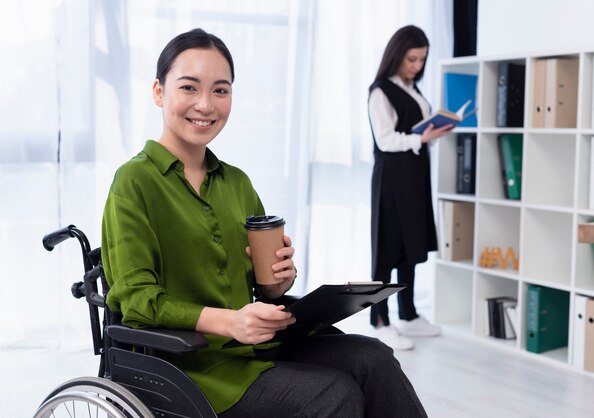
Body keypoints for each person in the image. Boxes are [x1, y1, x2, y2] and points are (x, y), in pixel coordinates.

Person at [102, 28, 428, 417]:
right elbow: (136, 298)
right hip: (188, 365)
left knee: (374, 358)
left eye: (221, 91)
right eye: (189, 88)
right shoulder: (134, 182)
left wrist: (280, 278)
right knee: (332, 393)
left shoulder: (236, 182)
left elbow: (266, 287)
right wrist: (230, 322)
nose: (205, 105)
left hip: (255, 347)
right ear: (159, 92)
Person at [368, 25, 451, 351]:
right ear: (397, 55)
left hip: (415, 176)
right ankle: (380, 319)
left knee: (410, 244)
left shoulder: (412, 89)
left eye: (422, 60)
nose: (416, 65)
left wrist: (433, 131)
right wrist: (421, 137)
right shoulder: (380, 91)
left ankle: (409, 313)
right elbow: (385, 139)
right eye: (412, 58)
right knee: (387, 247)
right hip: (392, 178)